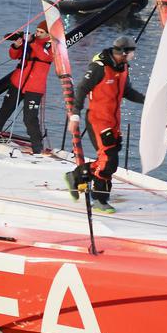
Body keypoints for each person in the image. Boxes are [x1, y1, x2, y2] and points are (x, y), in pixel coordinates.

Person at [66, 36, 145, 213]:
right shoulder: (99, 67)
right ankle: (99, 200)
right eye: (131, 53)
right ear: (123, 52)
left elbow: (127, 91)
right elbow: (81, 89)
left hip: (113, 121)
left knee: (110, 161)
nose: (133, 56)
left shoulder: (124, 67)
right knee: (109, 161)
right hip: (98, 120)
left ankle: (77, 175)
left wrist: (147, 101)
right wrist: (75, 115)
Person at [0, 22, 53, 154]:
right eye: (37, 31)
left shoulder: (51, 45)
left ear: (48, 34)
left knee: (29, 119)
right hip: (17, 83)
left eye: (41, 32)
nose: (38, 34)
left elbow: (45, 56)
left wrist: (31, 42)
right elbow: (13, 55)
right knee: (3, 112)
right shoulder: (31, 41)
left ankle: (37, 148)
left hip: (35, 88)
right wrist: (17, 45)